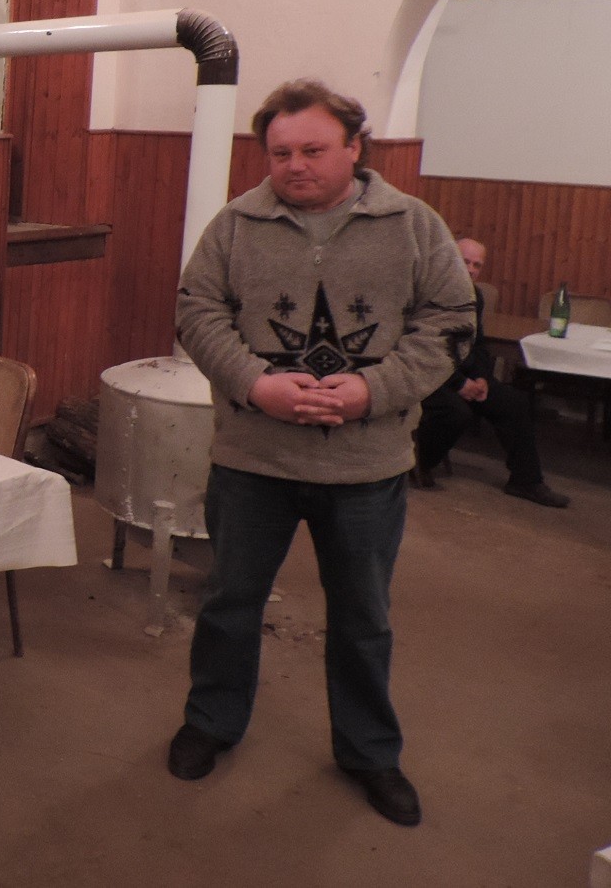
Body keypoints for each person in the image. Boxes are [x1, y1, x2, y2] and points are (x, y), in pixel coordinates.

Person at [168, 79, 475, 827]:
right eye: (280, 153)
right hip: (253, 463)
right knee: (230, 603)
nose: (295, 165)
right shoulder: (235, 225)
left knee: (363, 618)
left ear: (354, 147)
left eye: (313, 149)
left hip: (365, 470)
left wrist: (374, 391)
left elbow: (451, 318)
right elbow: (196, 311)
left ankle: (370, 752)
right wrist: (255, 385)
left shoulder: (413, 225)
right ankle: (211, 720)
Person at [412, 238, 569, 507]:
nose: (471, 269)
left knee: (513, 403)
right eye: (465, 261)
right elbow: (423, 348)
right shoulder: (427, 291)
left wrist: (483, 377)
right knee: (455, 411)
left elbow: (478, 344)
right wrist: (459, 383)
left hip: (463, 373)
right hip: (427, 374)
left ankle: (526, 481)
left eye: (477, 265)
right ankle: (416, 464)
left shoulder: (475, 296)